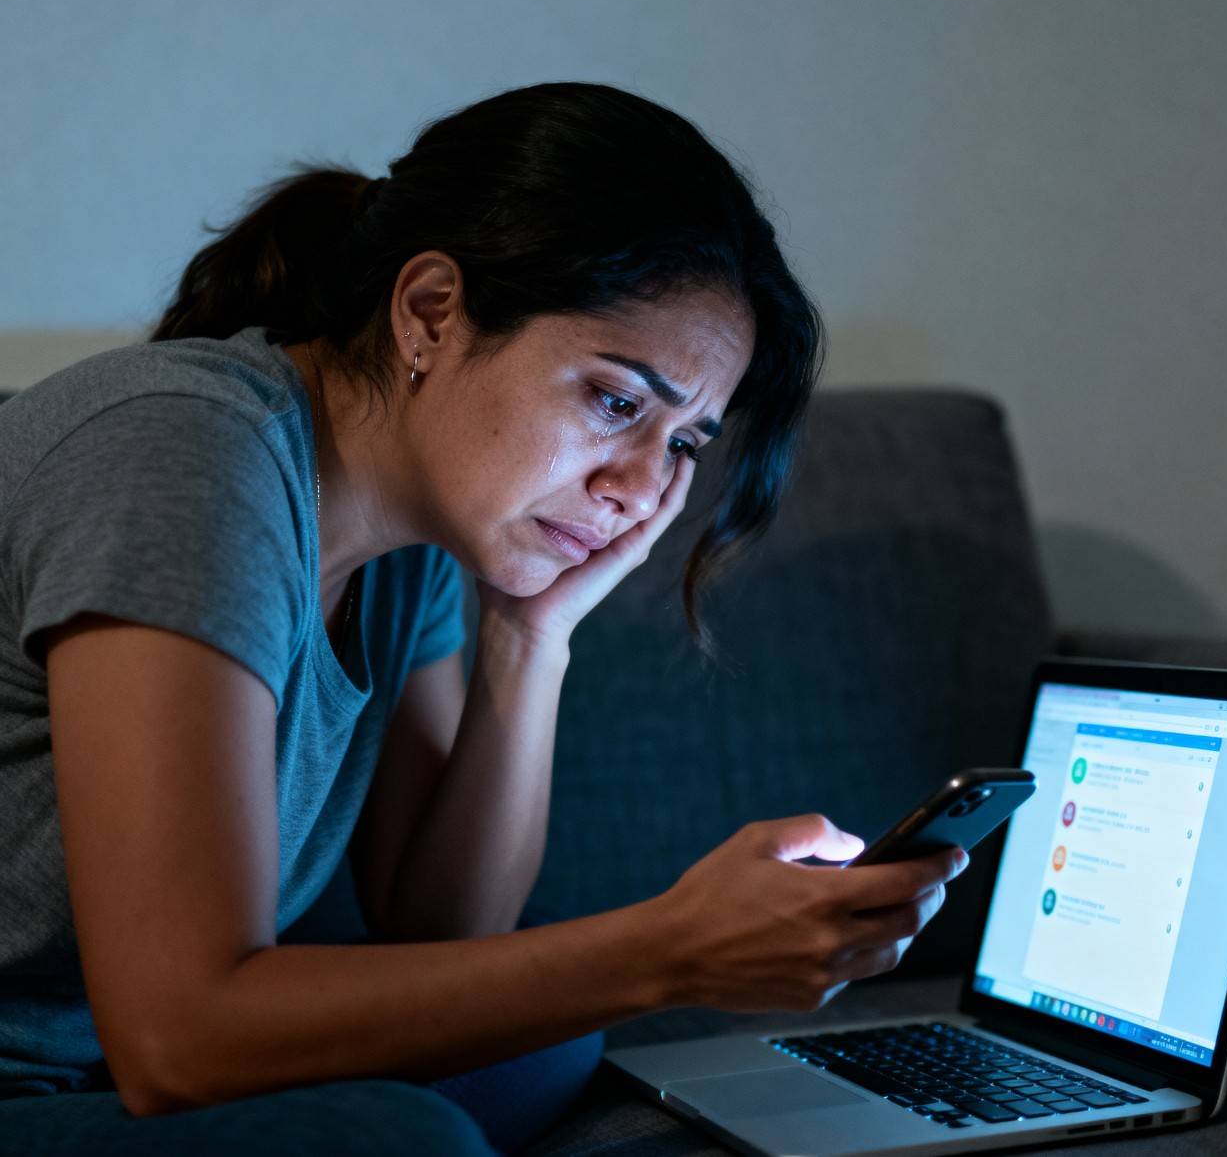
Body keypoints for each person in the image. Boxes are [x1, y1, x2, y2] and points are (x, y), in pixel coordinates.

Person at [0, 81, 966, 1155]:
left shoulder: (408, 541)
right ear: (429, 312)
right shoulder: (184, 453)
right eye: (615, 401)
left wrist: (529, 637)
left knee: (539, 1042)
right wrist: (668, 949)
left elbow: (441, 931)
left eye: (686, 443)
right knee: (399, 1138)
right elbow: (181, 1036)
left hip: (93, 1070)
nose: (643, 489)